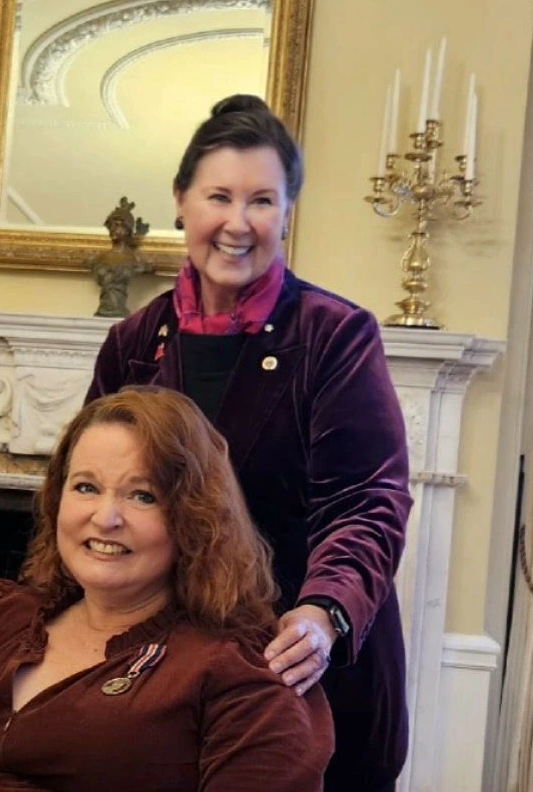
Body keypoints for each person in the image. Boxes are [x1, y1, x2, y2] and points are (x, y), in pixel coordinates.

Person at [86, 94, 414, 792]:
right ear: (181, 202)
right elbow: (90, 492)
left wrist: (325, 611)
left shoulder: (336, 335)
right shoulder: (132, 343)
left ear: (288, 212)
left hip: (309, 657)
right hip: (173, 660)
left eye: (262, 200)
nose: (238, 224)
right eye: (219, 197)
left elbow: (368, 501)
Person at [0, 388, 334, 791]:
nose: (106, 518)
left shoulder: (246, 670)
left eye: (143, 496)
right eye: (86, 487)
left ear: (195, 517)